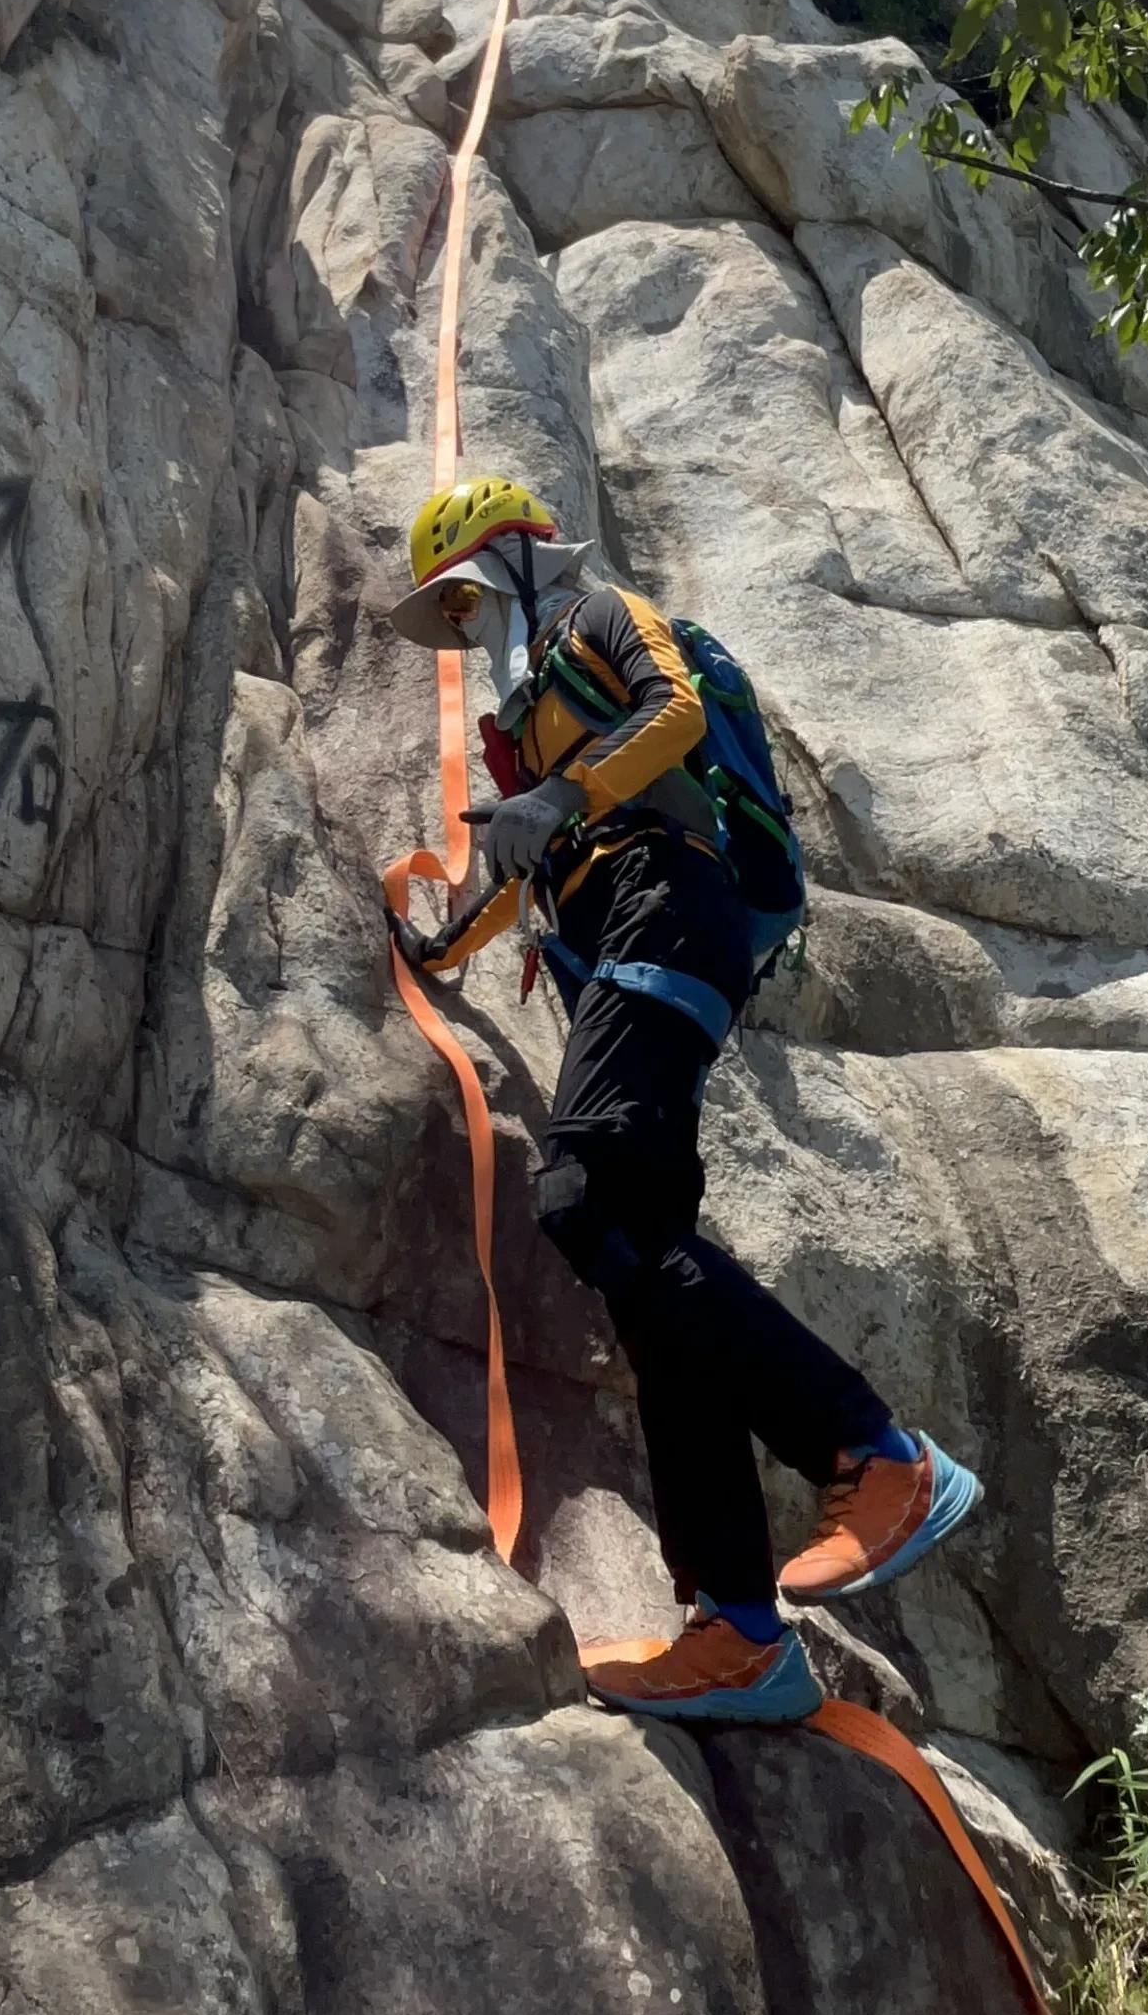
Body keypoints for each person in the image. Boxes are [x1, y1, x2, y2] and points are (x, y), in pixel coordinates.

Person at [387, 472, 981, 1727]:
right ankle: (740, 1632)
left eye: (466, 598)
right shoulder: (527, 724)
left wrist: (561, 794)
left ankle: (878, 1456)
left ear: (517, 562)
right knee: (642, 1263)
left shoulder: (599, 615)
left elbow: (671, 711)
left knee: (585, 1194)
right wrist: (447, 942)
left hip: (672, 895)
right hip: (623, 924)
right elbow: (532, 862)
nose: (463, 626)